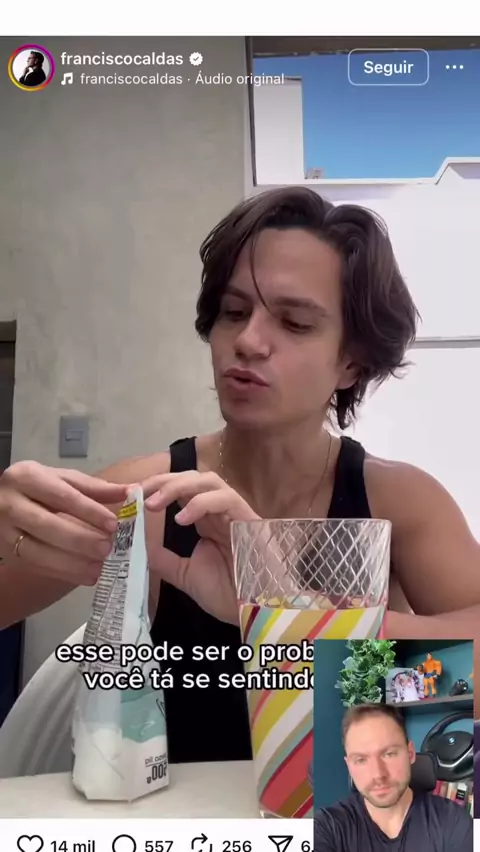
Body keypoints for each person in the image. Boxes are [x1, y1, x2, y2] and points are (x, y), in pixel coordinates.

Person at [0, 187, 479, 763]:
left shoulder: (398, 500)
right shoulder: (148, 499)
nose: (248, 341)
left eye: (294, 323)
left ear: (351, 362)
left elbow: (466, 675)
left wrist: (291, 615)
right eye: (233, 313)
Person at [314, 703, 473, 851]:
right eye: (361, 760)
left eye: (389, 754)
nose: (378, 775)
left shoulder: (453, 821)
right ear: (349, 766)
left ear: (410, 753)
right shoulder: (325, 827)